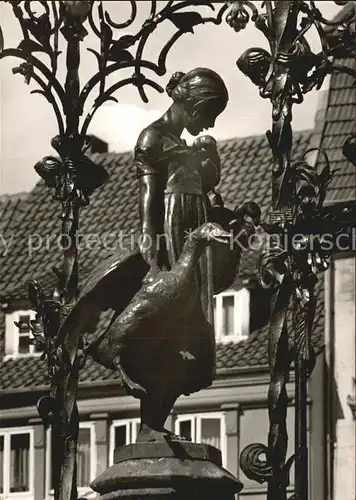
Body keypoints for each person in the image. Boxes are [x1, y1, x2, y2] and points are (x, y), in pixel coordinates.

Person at [134, 67, 228, 324]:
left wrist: (209, 161)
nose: (211, 124)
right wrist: (149, 239)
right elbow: (149, 194)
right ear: (196, 107)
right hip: (174, 220)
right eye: (211, 115)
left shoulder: (182, 142)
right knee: (185, 300)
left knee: (200, 299)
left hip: (194, 217)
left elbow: (206, 184)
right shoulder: (152, 138)